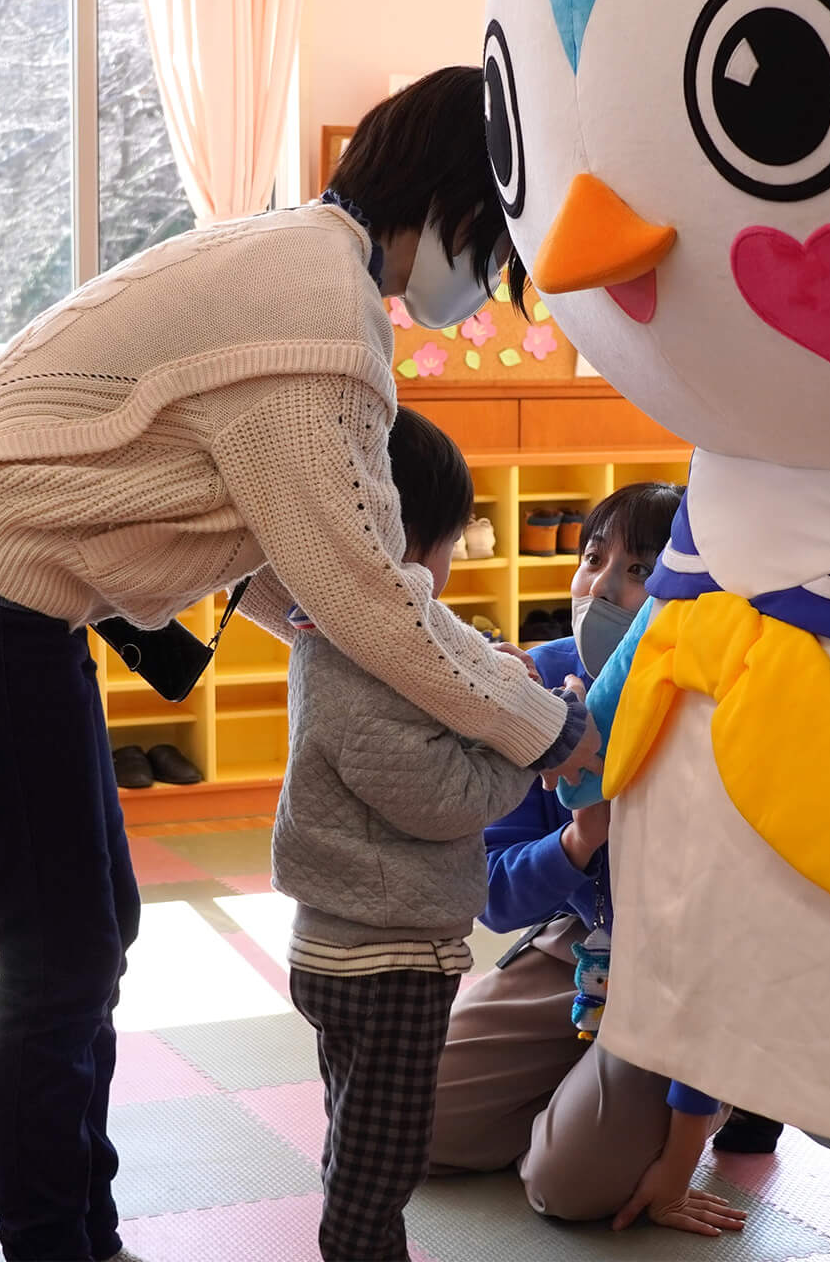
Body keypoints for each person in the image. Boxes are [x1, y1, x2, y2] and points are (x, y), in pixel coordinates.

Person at [0, 67, 601, 1262]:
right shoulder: (317, 317)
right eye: (492, 239)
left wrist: (347, 635)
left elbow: (294, 560)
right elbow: (366, 589)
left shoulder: (296, 261)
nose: (480, 287)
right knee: (63, 955)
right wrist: (548, 729)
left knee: (93, 925)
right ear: (452, 197)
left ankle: (80, 1222)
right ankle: (61, 1242)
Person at [427, 482, 750, 1239]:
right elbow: (496, 896)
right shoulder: (541, 680)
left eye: (638, 570)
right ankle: (582, 1098)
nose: (601, 587)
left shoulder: (720, 706)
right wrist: (580, 837)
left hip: (689, 974)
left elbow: (722, 957)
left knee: (566, 1188)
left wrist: (676, 1161)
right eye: (593, 558)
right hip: (584, 945)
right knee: (411, 1123)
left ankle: (729, 1094)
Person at [275, 407, 551, 1262]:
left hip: (345, 947)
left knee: (357, 1134)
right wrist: (524, 747)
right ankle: (361, 1249)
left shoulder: (339, 632)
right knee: (385, 1156)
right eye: (444, 548)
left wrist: (488, 679)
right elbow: (443, 796)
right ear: (400, 545)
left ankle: (358, 1232)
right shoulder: (360, 664)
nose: (445, 573)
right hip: (385, 960)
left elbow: (439, 692)